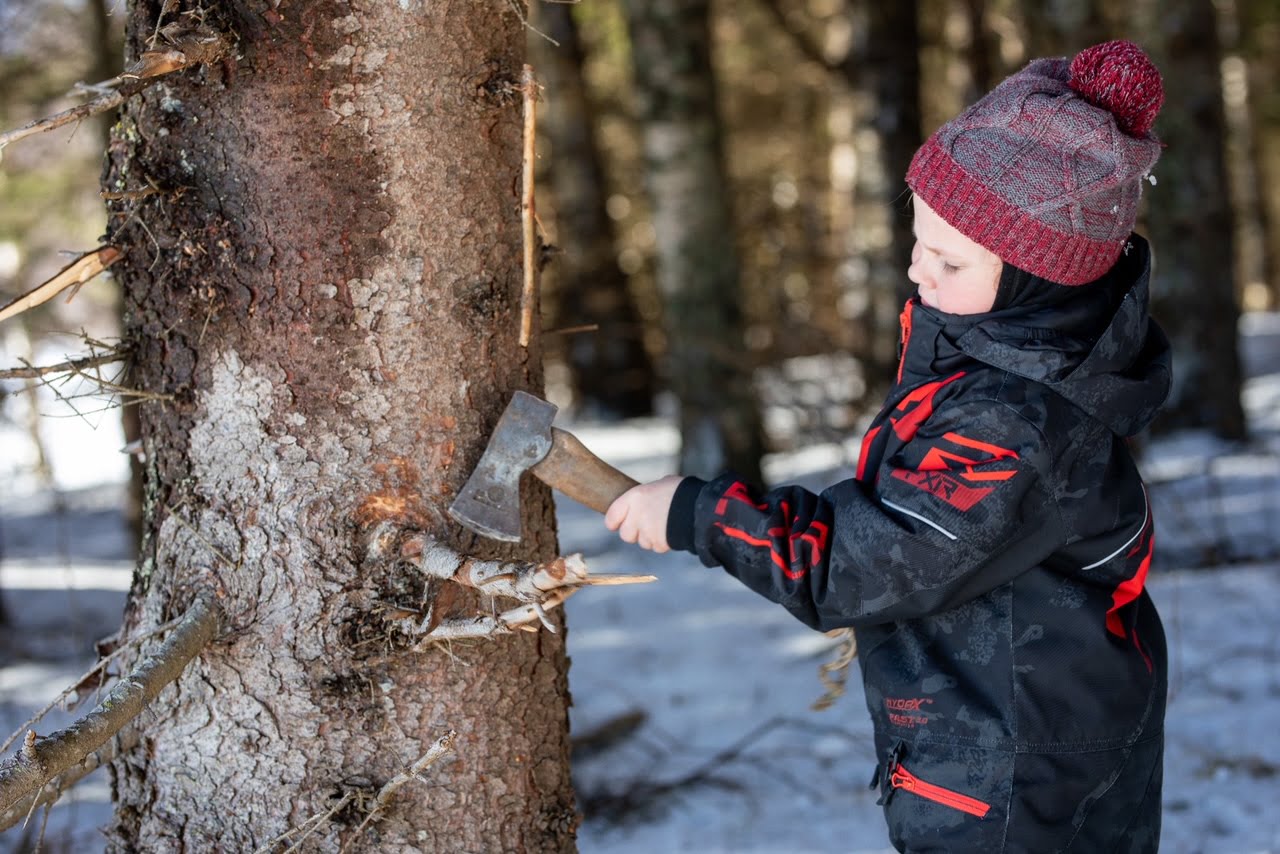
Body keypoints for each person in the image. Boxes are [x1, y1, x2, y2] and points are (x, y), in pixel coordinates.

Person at [605, 39, 1170, 853]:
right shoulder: (989, 359)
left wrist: (701, 515)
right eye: (917, 240)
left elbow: (871, 561)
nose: (917, 271)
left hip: (1020, 786)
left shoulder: (1015, 422)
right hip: (1012, 745)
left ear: (1036, 277)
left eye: (947, 258)